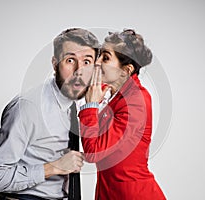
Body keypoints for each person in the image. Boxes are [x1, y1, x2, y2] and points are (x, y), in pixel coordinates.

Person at [0, 28, 99, 200]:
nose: (79, 71)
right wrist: (54, 168)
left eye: (87, 62)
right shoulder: (28, 107)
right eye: (70, 60)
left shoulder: (74, 105)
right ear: (55, 64)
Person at [78, 29, 166, 199]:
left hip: (133, 194)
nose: (97, 62)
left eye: (105, 57)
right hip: (110, 193)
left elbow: (92, 151)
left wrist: (90, 106)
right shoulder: (114, 95)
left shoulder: (136, 101)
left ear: (126, 70)